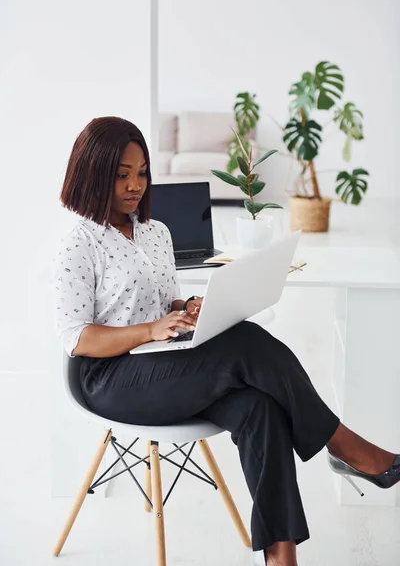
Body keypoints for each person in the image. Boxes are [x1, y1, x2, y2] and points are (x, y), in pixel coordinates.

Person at [51, 116, 400, 566]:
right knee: (247, 343)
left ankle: (281, 555)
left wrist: (186, 308)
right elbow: (77, 337)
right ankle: (343, 444)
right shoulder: (78, 243)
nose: (135, 185)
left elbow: (157, 299)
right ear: (93, 172)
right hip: (110, 376)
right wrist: (151, 330)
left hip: (162, 361)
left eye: (141, 172)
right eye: (121, 174)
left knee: (261, 407)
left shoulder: (156, 231)